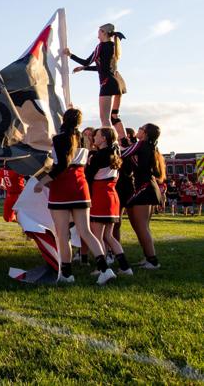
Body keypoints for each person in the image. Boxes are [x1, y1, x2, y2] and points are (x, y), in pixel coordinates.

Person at [33, 108, 116, 285]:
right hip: (80, 185)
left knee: (62, 234)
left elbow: (62, 164)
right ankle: (105, 269)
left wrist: (42, 181)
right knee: (85, 231)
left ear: (64, 119)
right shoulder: (86, 138)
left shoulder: (59, 138)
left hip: (62, 187)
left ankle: (67, 274)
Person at [65, 24, 128, 142]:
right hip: (117, 82)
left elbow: (87, 61)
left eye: (99, 32)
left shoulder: (101, 46)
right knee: (113, 116)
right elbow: (103, 68)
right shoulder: (112, 45)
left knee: (104, 119)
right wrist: (83, 68)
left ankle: (110, 144)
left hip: (107, 82)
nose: (97, 34)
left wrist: (70, 55)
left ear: (104, 32)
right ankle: (123, 140)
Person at [86, 128, 132, 276]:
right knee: (108, 236)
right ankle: (125, 267)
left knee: (98, 235)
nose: (94, 138)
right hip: (112, 197)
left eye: (97, 135)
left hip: (101, 197)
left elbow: (88, 177)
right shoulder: (115, 153)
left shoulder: (99, 156)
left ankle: (102, 268)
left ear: (104, 138)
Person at [122, 123, 164, 269]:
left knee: (142, 226)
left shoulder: (141, 144)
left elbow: (123, 154)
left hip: (145, 188)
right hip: (148, 187)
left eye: (140, 128)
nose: (137, 130)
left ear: (145, 133)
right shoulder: (148, 146)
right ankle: (148, 257)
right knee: (142, 226)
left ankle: (153, 261)